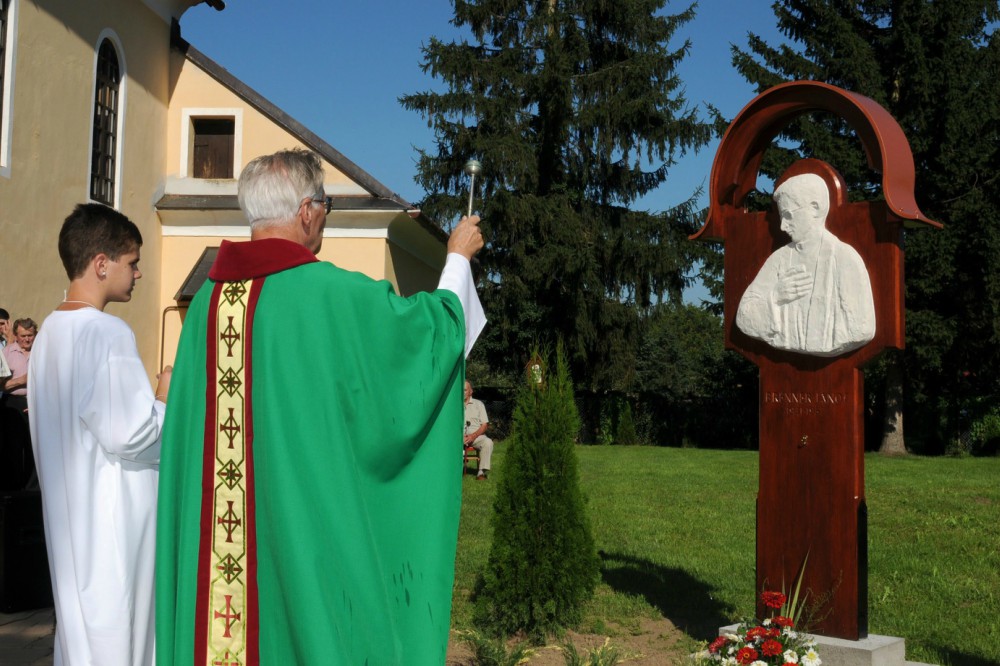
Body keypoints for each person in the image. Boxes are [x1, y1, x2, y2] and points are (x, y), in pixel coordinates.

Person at [156, 148, 485, 666]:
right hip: (301, 535)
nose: (325, 217)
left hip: (223, 552)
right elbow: (428, 339)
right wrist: (458, 261)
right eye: (325, 205)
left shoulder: (205, 307)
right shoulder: (329, 294)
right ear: (307, 211)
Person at [27, 203, 171, 666]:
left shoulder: (50, 330)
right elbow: (133, 434)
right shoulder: (107, 332)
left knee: (82, 642)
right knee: (120, 639)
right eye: (133, 262)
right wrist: (165, 398)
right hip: (115, 525)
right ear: (101, 263)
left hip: (72, 526)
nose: (138, 274)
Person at [735, 172, 876, 357]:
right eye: (782, 217)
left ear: (815, 208)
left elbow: (861, 328)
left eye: (788, 215)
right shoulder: (779, 259)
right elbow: (744, 316)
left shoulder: (844, 259)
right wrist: (775, 297)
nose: (783, 226)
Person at [2, 317, 37, 414]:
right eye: (23, 336)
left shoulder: (42, 352)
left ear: (35, 334)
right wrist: (22, 380)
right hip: (12, 404)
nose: (27, 339)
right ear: (15, 336)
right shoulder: (5, 353)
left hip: (37, 403)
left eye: (30, 335)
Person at [464, 380, 494, 479]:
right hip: (458, 437)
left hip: (476, 436)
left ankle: (481, 472)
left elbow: (484, 425)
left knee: (488, 442)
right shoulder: (455, 405)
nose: (462, 392)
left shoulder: (479, 404)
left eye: (465, 390)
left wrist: (473, 436)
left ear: (471, 391)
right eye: (461, 390)